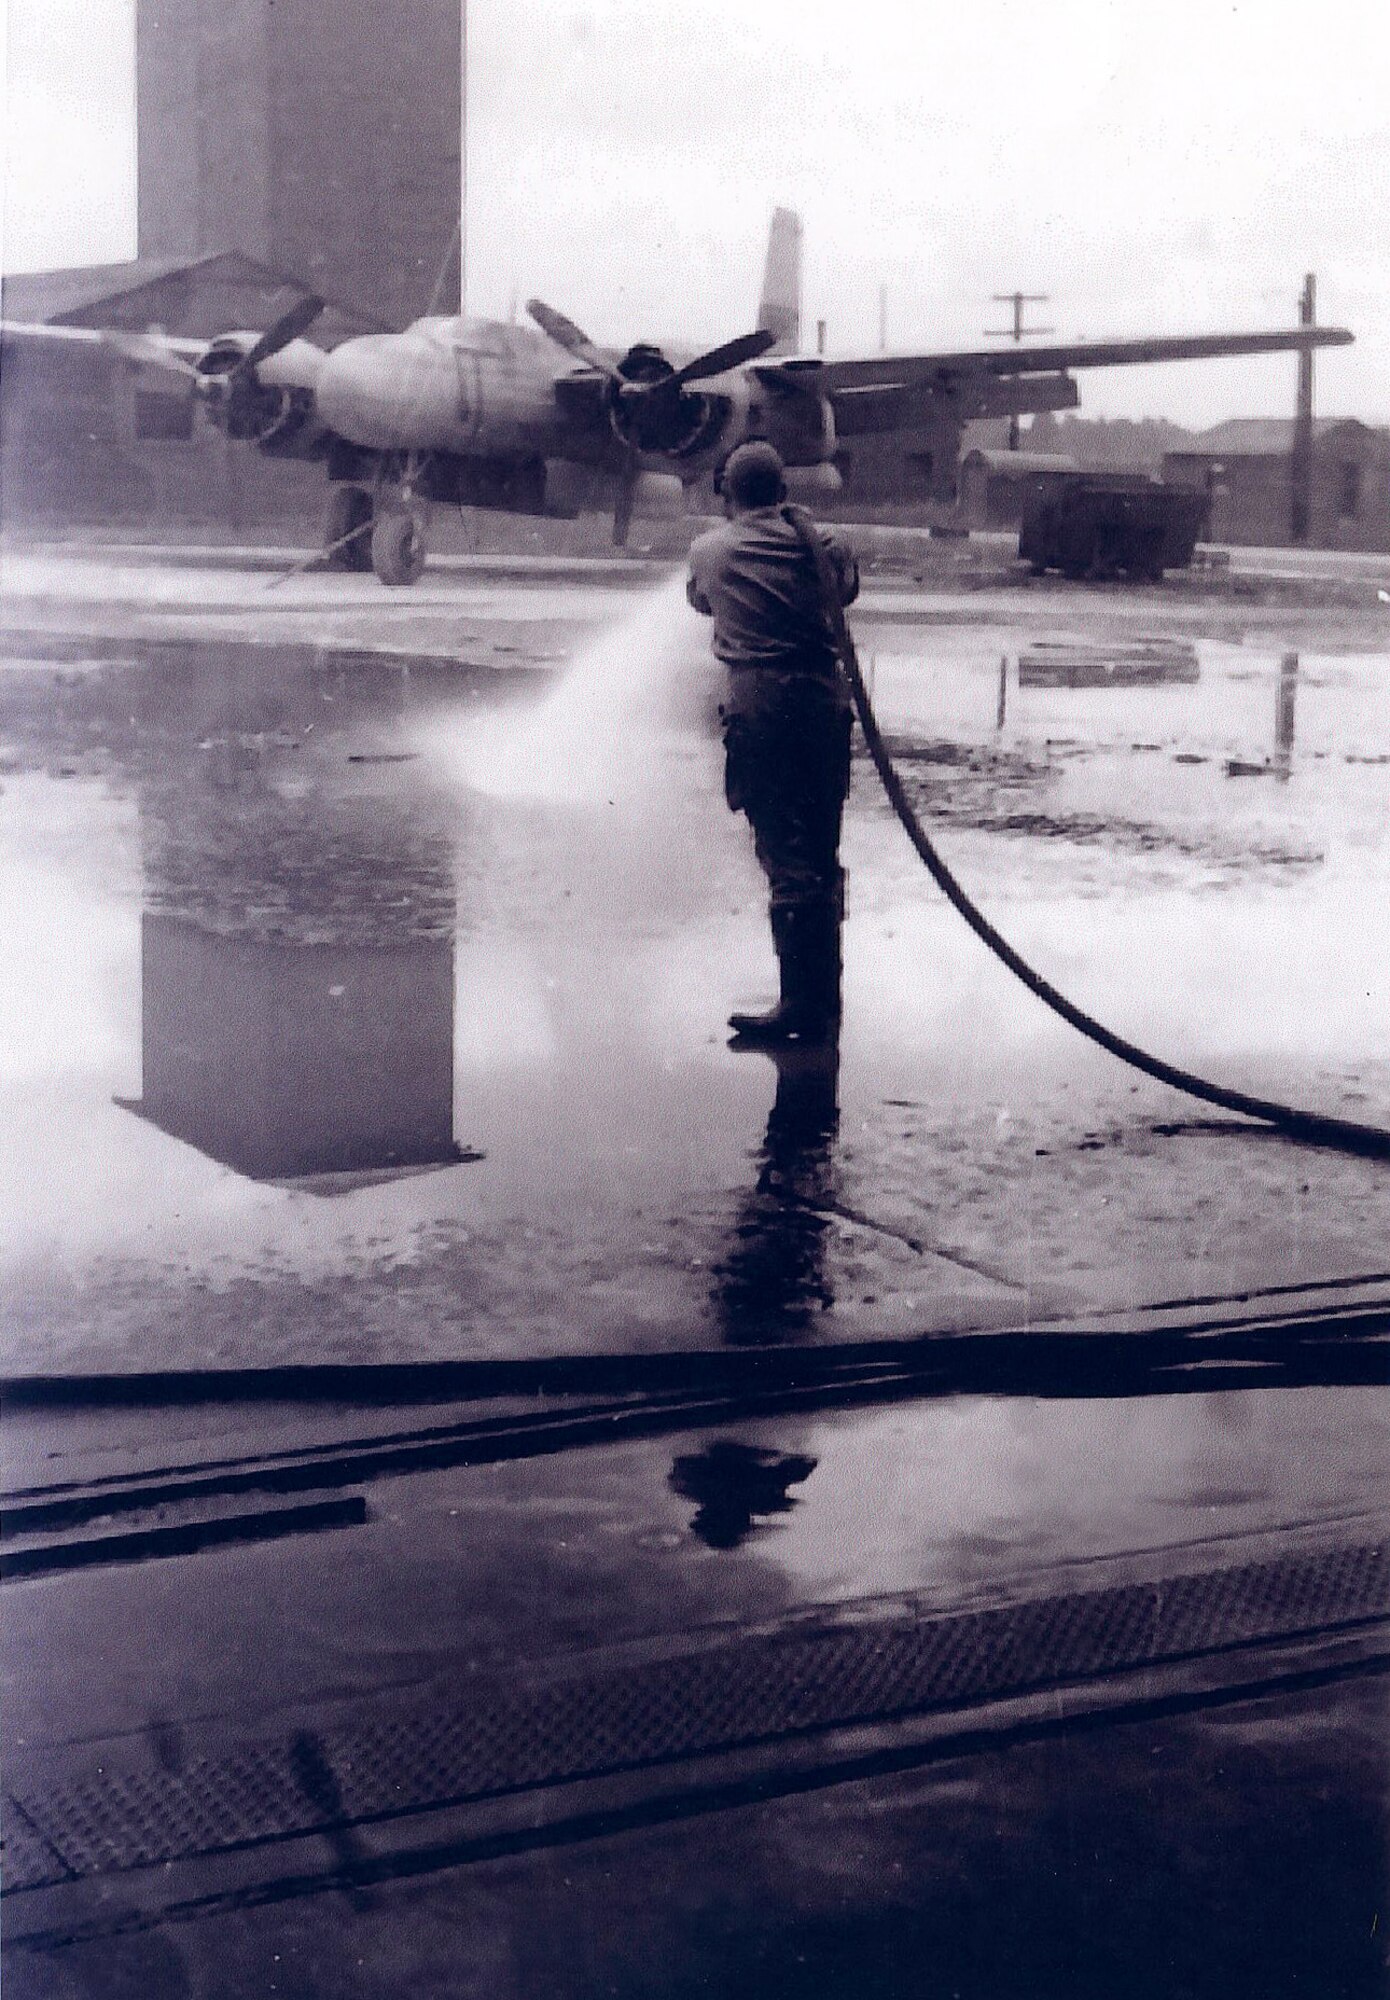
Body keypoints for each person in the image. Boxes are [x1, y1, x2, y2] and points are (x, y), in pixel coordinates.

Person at [686, 441, 859, 1045]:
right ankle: (822, 999)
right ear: (783, 489)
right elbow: (847, 590)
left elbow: (700, 599)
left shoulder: (711, 550)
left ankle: (801, 1008)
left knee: (786, 862)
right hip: (822, 708)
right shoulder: (827, 543)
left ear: (729, 492)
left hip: (762, 714)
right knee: (819, 853)